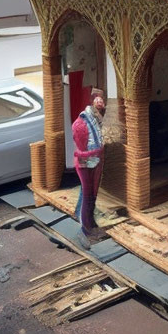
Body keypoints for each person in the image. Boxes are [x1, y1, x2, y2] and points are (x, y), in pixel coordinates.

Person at [73, 88, 106, 249]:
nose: (100, 103)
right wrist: (94, 153)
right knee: (87, 195)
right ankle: (85, 228)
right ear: (91, 102)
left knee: (92, 194)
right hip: (87, 161)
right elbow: (81, 147)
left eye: (102, 101)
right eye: (97, 101)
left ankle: (91, 224)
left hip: (96, 159)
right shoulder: (82, 122)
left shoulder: (96, 119)